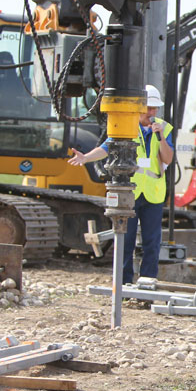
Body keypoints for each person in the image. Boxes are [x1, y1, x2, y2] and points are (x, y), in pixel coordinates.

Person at [69, 84, 174, 285]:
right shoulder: (126, 125)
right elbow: (106, 147)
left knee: (152, 243)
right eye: (149, 108)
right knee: (125, 241)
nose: (152, 113)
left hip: (153, 193)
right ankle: (123, 285)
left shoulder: (164, 128)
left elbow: (168, 158)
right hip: (129, 192)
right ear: (139, 107)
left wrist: (160, 137)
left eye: (155, 108)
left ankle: (147, 284)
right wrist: (86, 158)